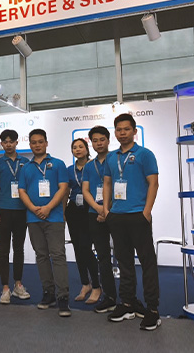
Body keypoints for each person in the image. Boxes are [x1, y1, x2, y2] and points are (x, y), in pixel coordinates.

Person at [103, 113, 160, 331]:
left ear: (134, 131)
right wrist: (107, 210)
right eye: (118, 130)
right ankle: (127, 303)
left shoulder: (145, 154)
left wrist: (146, 212)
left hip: (138, 215)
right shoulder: (112, 157)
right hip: (117, 216)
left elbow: (153, 183)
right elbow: (107, 184)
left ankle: (152, 309)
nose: (122, 133)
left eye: (126, 129)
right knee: (124, 262)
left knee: (147, 263)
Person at [18, 129, 71, 317]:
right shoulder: (26, 167)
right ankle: (48, 293)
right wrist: (34, 208)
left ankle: (63, 297)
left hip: (54, 217)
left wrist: (48, 207)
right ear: (30, 145)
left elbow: (63, 188)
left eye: (40, 142)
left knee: (58, 255)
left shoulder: (58, 164)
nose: (37, 145)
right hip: (33, 218)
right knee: (41, 256)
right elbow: (22, 191)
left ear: (46, 143)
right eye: (33, 142)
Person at [0, 129, 31, 304]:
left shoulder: (25, 162)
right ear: (1, 143)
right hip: (4, 209)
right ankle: (5, 287)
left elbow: (29, 185)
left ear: (16, 142)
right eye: (5, 142)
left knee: (19, 248)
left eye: (11, 141)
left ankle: (18, 284)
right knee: (4, 249)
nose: (8, 144)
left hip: (22, 209)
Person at [82, 126, 118, 313]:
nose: (98, 143)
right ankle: (109, 297)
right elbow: (85, 190)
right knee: (103, 257)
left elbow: (120, 187)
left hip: (116, 212)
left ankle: (129, 299)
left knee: (123, 256)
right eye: (95, 141)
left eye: (102, 139)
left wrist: (107, 209)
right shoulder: (89, 166)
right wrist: (98, 209)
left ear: (108, 140)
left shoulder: (116, 160)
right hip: (95, 214)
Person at [65, 138, 101, 304]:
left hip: (90, 208)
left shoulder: (94, 166)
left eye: (81, 146)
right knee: (78, 249)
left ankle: (96, 286)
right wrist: (63, 211)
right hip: (73, 209)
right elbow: (66, 192)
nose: (78, 149)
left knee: (86, 247)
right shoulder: (69, 170)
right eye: (74, 147)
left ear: (87, 149)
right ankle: (85, 284)